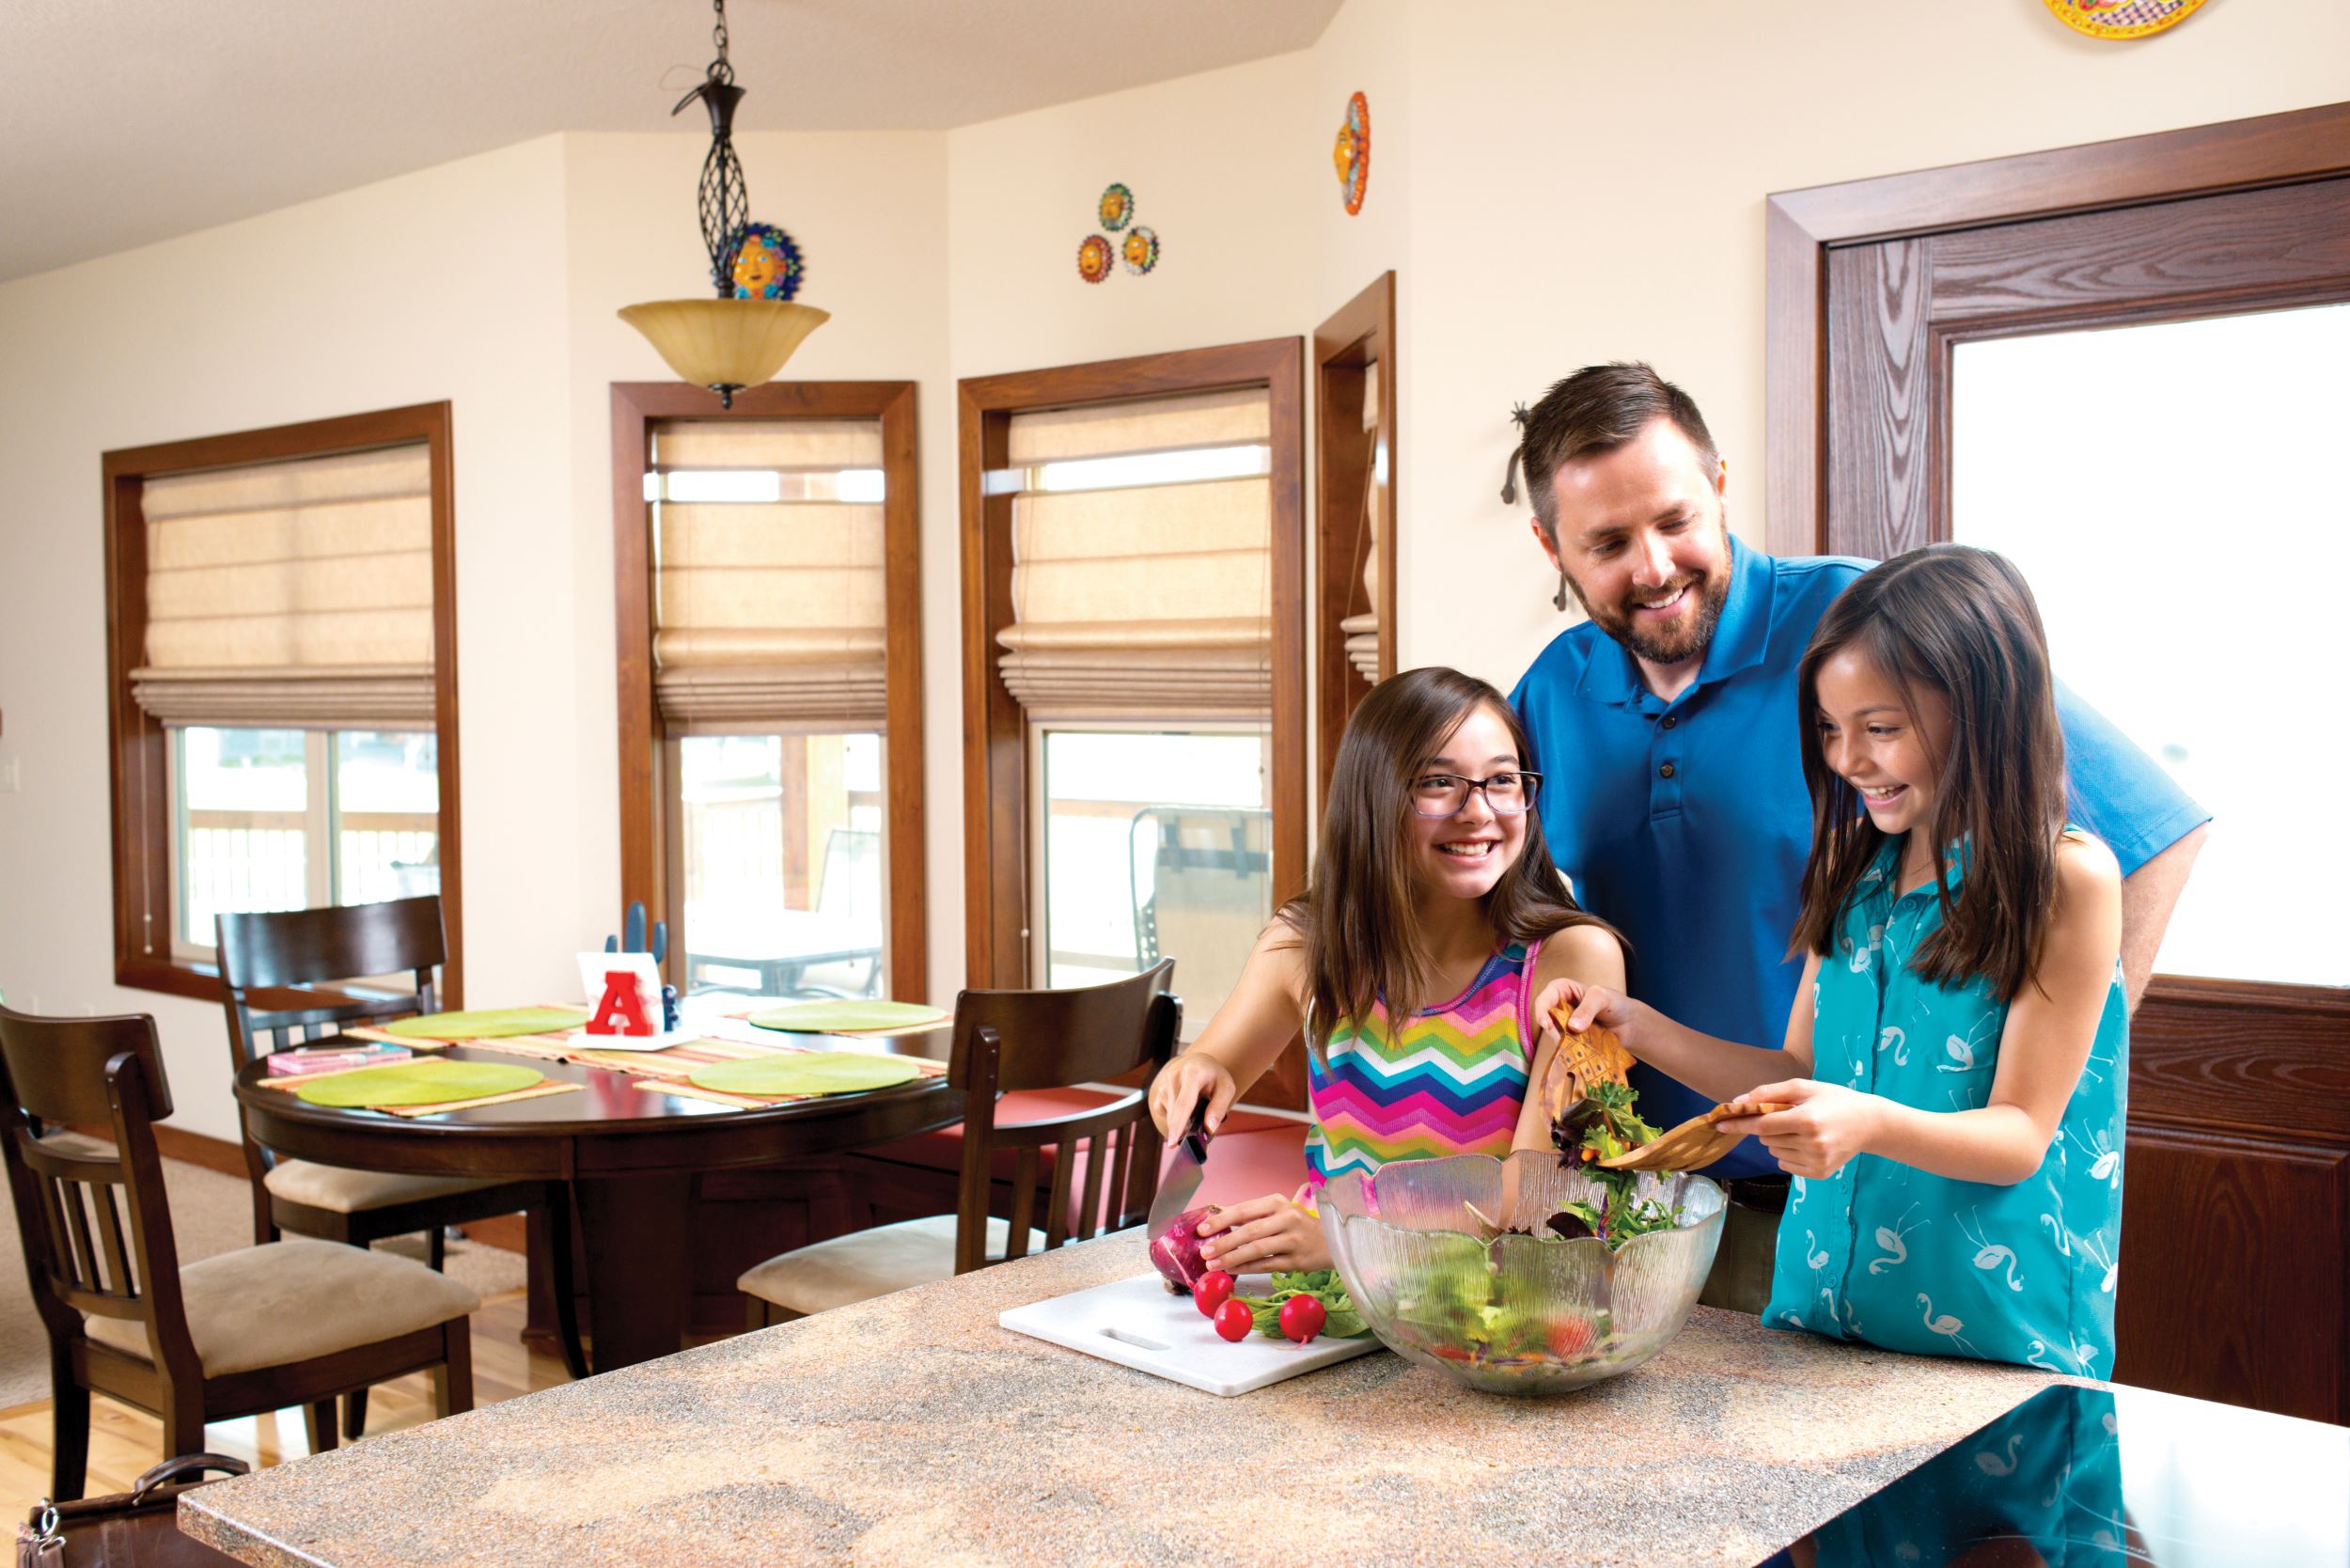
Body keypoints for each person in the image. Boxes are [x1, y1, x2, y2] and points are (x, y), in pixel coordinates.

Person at [1507, 363, 2207, 1308]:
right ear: (1551, 546)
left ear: (1718, 486)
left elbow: (2149, 830)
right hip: (1647, 1206)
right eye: (1608, 542)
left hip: (1885, 1207)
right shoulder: (1550, 687)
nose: (1655, 565)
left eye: (1674, 521)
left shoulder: (1864, 625)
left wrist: (2050, 1059)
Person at [1543, 544, 2125, 1373]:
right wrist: (1635, 1027)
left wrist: (1865, 1123)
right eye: (1829, 729)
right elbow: (1794, 1065)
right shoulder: (1855, 865)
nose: (1847, 760)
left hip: (1995, 1343)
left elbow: (2021, 1136)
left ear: (1983, 709)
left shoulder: (2068, 875)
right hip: (1820, 1316)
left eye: (1880, 729)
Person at [1147, 666, 1625, 1276]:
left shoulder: (1574, 959)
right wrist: (1186, 1080)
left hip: (1505, 1309)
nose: (1478, 811)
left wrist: (1351, 1239)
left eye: (1502, 781)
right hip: (1348, 1301)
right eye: (1438, 783)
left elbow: (1539, 1194)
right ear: (1372, 797)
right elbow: (1210, 1067)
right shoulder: (1303, 945)